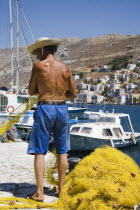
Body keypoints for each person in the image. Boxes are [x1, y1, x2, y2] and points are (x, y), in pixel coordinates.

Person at [26, 37, 77, 202]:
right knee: (63, 151)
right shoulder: (65, 68)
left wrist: (45, 92)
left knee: (39, 151)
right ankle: (62, 190)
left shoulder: (38, 66)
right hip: (62, 109)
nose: (35, 56)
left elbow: (31, 91)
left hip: (45, 108)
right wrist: (60, 95)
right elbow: (74, 94)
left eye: (36, 52)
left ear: (42, 50)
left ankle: (39, 193)